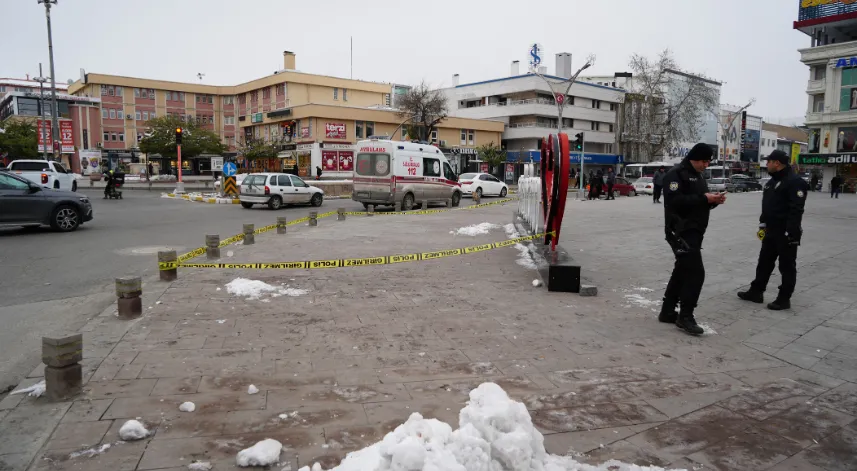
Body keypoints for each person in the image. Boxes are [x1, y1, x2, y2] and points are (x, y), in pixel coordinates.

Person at [659, 143, 726, 335]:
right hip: (680, 231)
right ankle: (685, 316)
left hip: (695, 230)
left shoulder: (698, 176)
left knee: (682, 270)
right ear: (694, 158)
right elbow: (674, 201)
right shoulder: (676, 174)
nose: (706, 165)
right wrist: (705, 199)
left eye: (708, 162)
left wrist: (713, 201)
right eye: (704, 161)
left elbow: (698, 203)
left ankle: (668, 311)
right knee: (695, 273)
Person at [738, 149, 809, 310]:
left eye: (769, 161)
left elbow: (796, 209)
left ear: (777, 163)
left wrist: (791, 232)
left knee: (786, 266)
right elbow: (767, 206)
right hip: (771, 230)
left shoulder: (795, 182)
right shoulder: (772, 182)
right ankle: (756, 291)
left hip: (785, 232)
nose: (767, 164)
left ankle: (784, 298)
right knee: (764, 262)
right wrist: (762, 223)